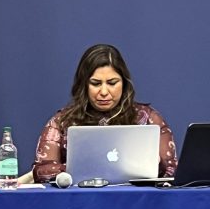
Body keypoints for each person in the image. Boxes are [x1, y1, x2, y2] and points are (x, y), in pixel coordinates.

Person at [33, 43, 177, 182]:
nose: (103, 92)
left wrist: (157, 165)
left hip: (135, 197)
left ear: (124, 83)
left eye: (112, 83)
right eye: (95, 83)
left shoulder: (148, 119)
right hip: (82, 197)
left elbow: (172, 170)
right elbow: (41, 171)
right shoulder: (62, 122)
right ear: (84, 85)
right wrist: (81, 169)